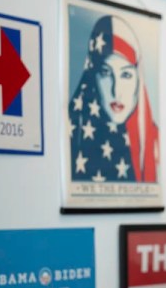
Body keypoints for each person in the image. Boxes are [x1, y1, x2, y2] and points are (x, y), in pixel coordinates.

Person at [68, 15, 159, 183]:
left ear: (138, 79)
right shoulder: (74, 129)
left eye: (126, 75)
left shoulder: (152, 140)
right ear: (92, 75)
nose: (116, 90)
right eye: (105, 73)